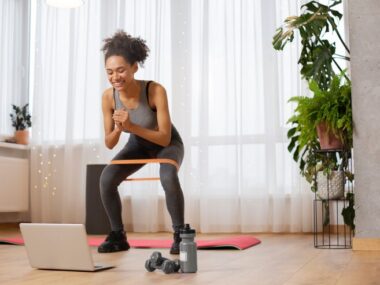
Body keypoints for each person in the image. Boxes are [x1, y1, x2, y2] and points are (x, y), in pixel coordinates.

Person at [98, 30, 185, 254]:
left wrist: (132, 127)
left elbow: (164, 137)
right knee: (107, 179)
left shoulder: (154, 90)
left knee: (167, 175)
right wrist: (119, 129)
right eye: (109, 72)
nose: (115, 77)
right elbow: (109, 143)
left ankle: (179, 234)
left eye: (120, 70)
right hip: (138, 144)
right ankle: (118, 235)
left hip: (167, 143)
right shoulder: (109, 97)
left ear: (134, 67)